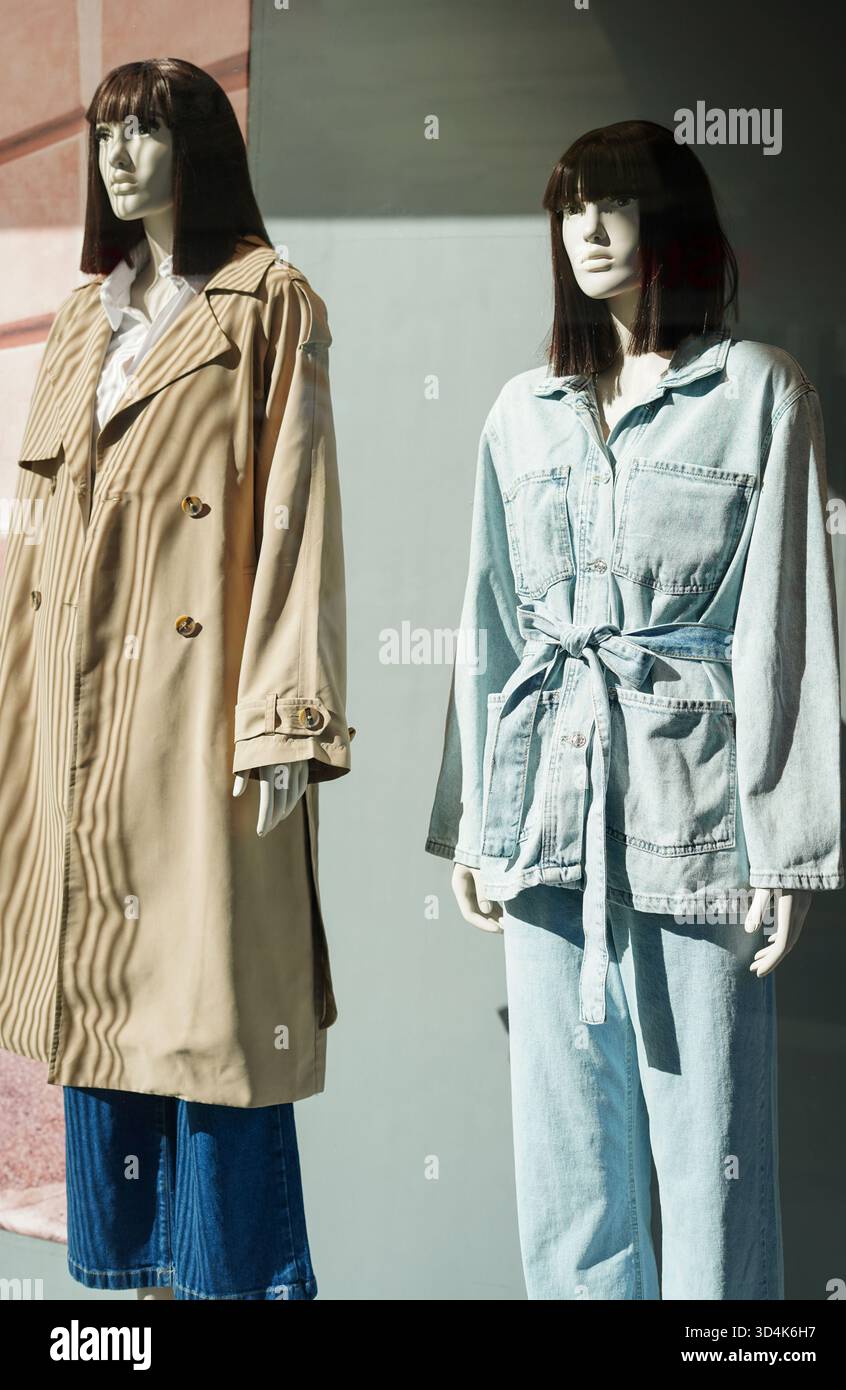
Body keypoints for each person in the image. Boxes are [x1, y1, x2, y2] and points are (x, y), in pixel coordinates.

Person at [425, 119, 844, 1300]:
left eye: (612, 205)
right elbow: (493, 622)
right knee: (566, 1179)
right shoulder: (522, 410)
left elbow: (785, 631)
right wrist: (475, 819)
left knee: (709, 1168)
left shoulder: (756, 391)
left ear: (672, 224)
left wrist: (788, 845)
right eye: (568, 208)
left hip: (696, 818)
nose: (588, 231)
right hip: (547, 816)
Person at [0, 58, 352, 1300]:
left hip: (197, 728)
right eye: (105, 134)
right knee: (99, 1022)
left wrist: (285, 725)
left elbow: (298, 517)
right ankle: (124, 1305)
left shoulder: (268, 302)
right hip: (76, 728)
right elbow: (31, 540)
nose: (119, 156)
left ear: (200, 148)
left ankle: (225, 1287)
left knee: (210, 1036)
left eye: (147, 132)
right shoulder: (85, 318)